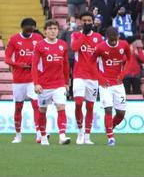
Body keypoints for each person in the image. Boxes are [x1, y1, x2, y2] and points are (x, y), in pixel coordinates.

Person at [32, 19, 72, 145]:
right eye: (50, 29)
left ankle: (62, 136)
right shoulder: (39, 45)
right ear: (45, 31)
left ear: (58, 31)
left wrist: (66, 82)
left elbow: (66, 65)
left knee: (61, 107)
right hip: (44, 85)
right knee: (42, 110)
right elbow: (34, 66)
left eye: (55, 29)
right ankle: (43, 136)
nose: (52, 31)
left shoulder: (63, 45)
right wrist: (36, 83)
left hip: (59, 84)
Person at [5, 17, 43, 143]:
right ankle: (18, 135)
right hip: (19, 79)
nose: (29, 32)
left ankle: (39, 134)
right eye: (27, 30)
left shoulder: (38, 38)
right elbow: (7, 59)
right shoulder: (14, 39)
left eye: (31, 30)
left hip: (33, 79)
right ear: (22, 28)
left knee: (36, 105)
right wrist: (19, 64)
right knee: (18, 107)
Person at [70, 11, 103, 145]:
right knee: (78, 103)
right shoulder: (75, 35)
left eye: (89, 20)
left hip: (93, 78)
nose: (87, 23)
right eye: (84, 20)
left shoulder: (98, 37)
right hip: (79, 75)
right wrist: (84, 34)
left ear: (93, 21)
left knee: (90, 107)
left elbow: (101, 58)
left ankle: (87, 136)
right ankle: (80, 132)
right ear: (80, 22)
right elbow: (74, 47)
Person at [95, 26, 131, 146]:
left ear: (118, 37)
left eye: (116, 39)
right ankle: (110, 137)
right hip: (105, 84)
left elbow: (130, 60)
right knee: (108, 109)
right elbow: (90, 63)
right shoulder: (100, 48)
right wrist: (100, 78)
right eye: (111, 40)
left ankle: (111, 126)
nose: (114, 42)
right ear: (107, 38)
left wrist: (123, 74)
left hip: (118, 84)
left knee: (121, 113)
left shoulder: (124, 45)